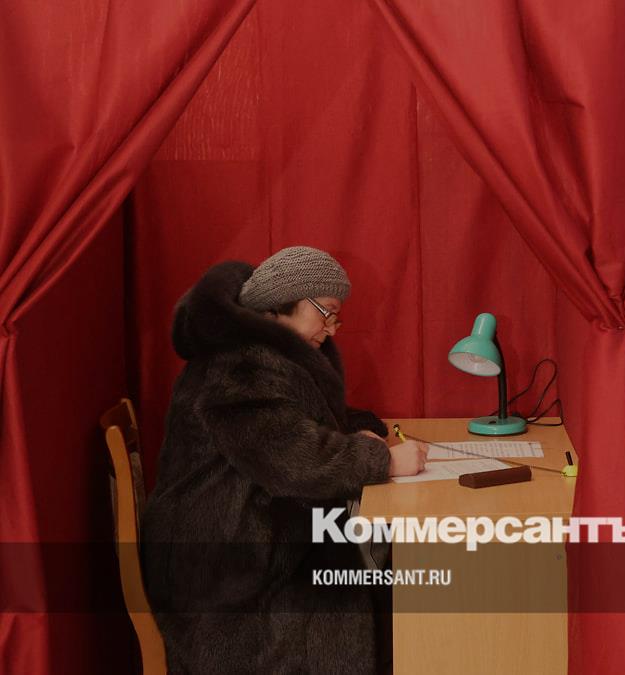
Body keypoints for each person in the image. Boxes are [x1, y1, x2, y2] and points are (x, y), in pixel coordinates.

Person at [142, 246, 426, 674]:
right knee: (388, 578)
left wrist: (358, 430)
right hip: (229, 575)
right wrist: (382, 461)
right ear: (283, 302)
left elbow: (292, 423)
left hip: (246, 539)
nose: (331, 329)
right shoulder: (239, 364)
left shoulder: (257, 352)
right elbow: (294, 461)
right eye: (326, 313)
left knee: (387, 565)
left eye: (336, 318)